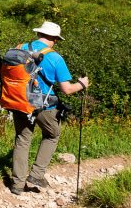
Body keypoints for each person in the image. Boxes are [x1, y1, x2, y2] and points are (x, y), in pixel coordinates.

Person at [10, 21, 90, 195]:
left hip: (19, 101)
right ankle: (36, 175)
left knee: (22, 139)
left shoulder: (20, 47)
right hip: (42, 106)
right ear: (54, 39)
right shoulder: (55, 58)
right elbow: (67, 89)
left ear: (39, 34)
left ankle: (17, 185)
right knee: (52, 134)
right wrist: (82, 84)